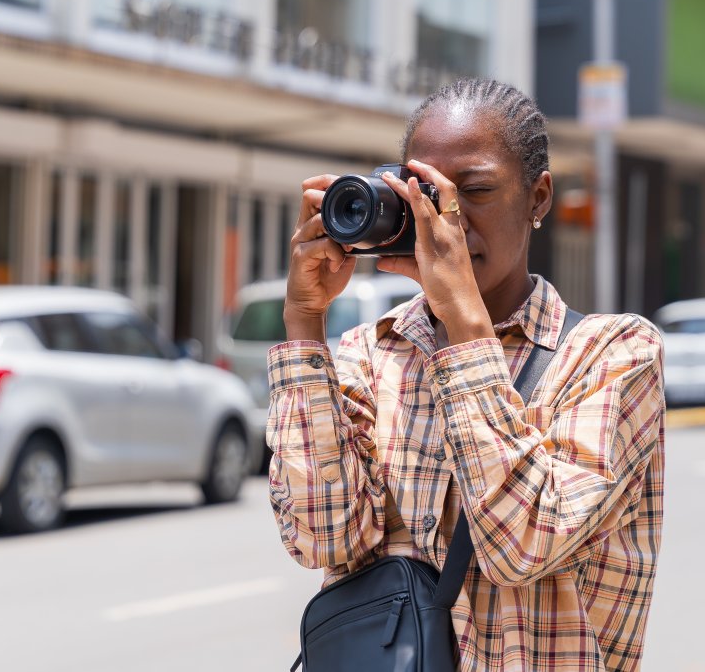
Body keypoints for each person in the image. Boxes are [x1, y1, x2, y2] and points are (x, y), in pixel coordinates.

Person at [267, 78, 665, 670]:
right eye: (423, 195)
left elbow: (524, 543)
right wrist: (305, 320)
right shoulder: (367, 354)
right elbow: (320, 538)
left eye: (473, 191)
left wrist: (462, 320)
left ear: (538, 199)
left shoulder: (614, 354)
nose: (445, 220)